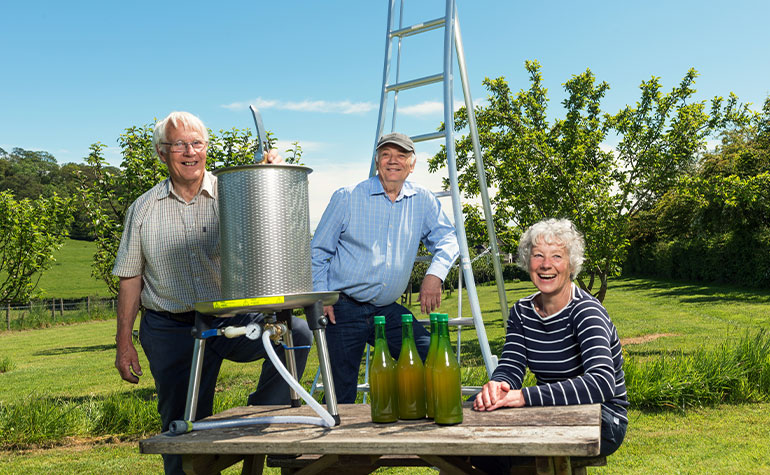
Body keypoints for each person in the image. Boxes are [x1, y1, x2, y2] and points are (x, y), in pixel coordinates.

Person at [113, 111, 313, 475]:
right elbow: (130, 278)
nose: (190, 152)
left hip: (231, 318)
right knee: (182, 425)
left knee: (296, 334)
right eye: (179, 145)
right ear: (162, 152)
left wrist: (269, 174)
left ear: (206, 148)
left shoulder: (234, 194)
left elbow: (272, 211)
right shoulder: (142, 210)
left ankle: (257, 419)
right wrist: (123, 342)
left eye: (197, 143)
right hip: (171, 328)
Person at [311, 132, 459, 403]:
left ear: (411, 164)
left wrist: (434, 275)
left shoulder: (422, 200)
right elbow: (318, 251)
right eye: (386, 155)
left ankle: (421, 429)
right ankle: (339, 444)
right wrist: (322, 295)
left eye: (401, 155)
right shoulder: (348, 197)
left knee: (432, 356)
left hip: (387, 310)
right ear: (377, 161)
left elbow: (449, 238)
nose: (394, 161)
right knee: (341, 392)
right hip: (344, 308)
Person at [471, 218, 627, 473]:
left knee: (508, 449)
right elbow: (511, 365)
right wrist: (498, 385)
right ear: (527, 261)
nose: (546, 265)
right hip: (550, 412)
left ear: (571, 264)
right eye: (538, 256)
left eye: (556, 256)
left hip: (603, 417)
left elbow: (601, 383)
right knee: (476, 441)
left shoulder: (586, 311)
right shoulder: (522, 311)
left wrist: (522, 396)